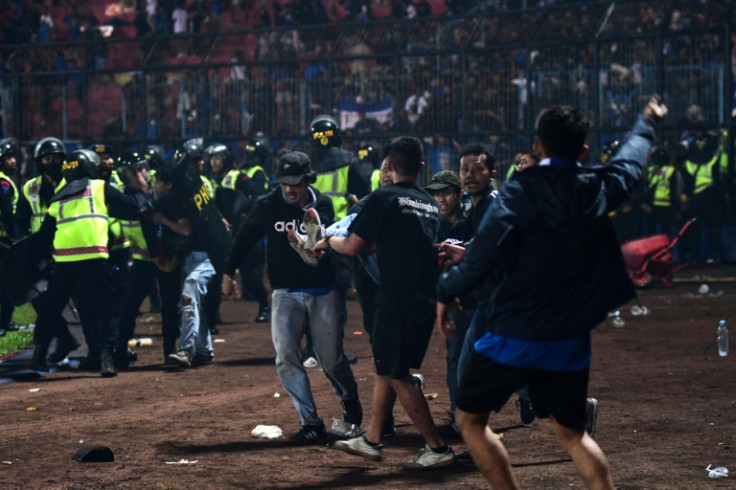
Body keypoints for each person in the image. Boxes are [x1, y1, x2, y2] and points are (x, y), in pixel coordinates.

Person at [435, 96, 667, 488]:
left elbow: (481, 258)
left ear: (538, 148)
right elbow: (630, 162)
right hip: (568, 337)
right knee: (573, 435)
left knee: (470, 420)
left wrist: (447, 292)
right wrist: (646, 124)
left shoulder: (518, 192)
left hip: (512, 331)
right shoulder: (597, 187)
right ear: (584, 151)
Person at [314, 136, 456, 470]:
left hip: (395, 297)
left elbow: (353, 246)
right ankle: (373, 439)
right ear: (421, 167)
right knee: (386, 368)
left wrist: (328, 242)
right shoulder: (430, 203)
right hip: (425, 297)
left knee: (397, 374)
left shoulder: (384, 197)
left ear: (389, 166)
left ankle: (437, 448)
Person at [221, 151, 362, 445]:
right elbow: (245, 237)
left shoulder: (320, 203)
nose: (289, 188)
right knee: (286, 357)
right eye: (284, 182)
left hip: (322, 290)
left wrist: (312, 245)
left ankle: (350, 401)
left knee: (331, 360)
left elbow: (325, 237)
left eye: (295, 182)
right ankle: (310, 421)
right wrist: (228, 272)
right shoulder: (267, 205)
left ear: (308, 179)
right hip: (285, 292)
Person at [32, 149, 151, 377]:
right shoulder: (98, 188)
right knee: (104, 308)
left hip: (65, 261)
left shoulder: (58, 195)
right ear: (89, 168)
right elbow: (130, 206)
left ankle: (39, 355)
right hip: (94, 258)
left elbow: (46, 234)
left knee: (51, 309)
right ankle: (107, 360)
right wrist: (141, 191)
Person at [0, 138, 19, 336]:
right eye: (8, 157)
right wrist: (15, 237)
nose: (13, 161)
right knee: (7, 282)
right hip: (4, 241)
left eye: (14, 157)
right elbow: (6, 211)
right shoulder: (3, 182)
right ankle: (4, 321)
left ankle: (6, 321)